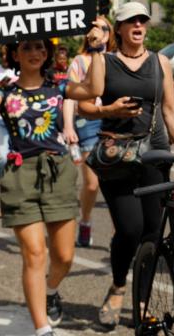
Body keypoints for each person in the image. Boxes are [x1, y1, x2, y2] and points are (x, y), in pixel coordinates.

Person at [0, 35, 104, 336]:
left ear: (48, 53)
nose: (34, 52)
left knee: (64, 256)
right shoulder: (5, 91)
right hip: (20, 177)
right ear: (15, 54)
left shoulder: (59, 85)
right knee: (34, 254)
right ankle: (42, 328)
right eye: (26, 47)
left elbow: (95, 89)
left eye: (40, 47)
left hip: (58, 171)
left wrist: (96, 49)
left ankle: (51, 289)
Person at [75, 0, 174, 329]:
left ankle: (141, 300)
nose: (138, 25)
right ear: (120, 28)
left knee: (153, 233)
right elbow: (84, 106)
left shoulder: (161, 62)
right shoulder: (105, 61)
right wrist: (108, 111)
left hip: (155, 152)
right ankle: (118, 286)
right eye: (131, 21)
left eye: (143, 20)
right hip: (118, 154)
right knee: (129, 229)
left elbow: (170, 109)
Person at [65, 14, 112, 249]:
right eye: (94, 28)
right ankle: (85, 221)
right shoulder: (80, 60)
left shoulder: (115, 58)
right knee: (92, 184)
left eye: (103, 28)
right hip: (88, 122)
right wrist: (67, 126)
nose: (99, 31)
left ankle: (122, 232)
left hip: (114, 120)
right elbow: (69, 95)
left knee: (116, 183)